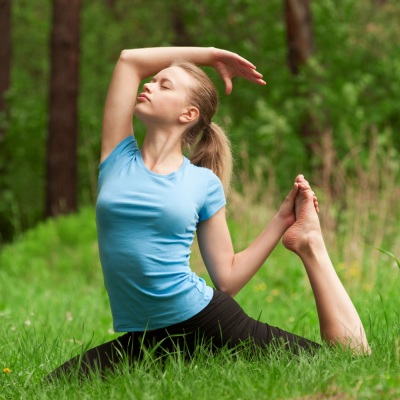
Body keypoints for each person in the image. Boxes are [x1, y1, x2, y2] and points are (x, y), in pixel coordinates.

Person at [48, 47, 370, 379]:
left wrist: (282, 222)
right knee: (55, 385)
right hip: (146, 338)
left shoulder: (202, 183)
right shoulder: (117, 157)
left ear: (188, 114)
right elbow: (130, 61)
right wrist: (211, 55)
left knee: (345, 361)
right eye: (153, 80)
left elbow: (227, 279)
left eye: (164, 85)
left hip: (206, 321)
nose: (149, 86)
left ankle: (310, 244)